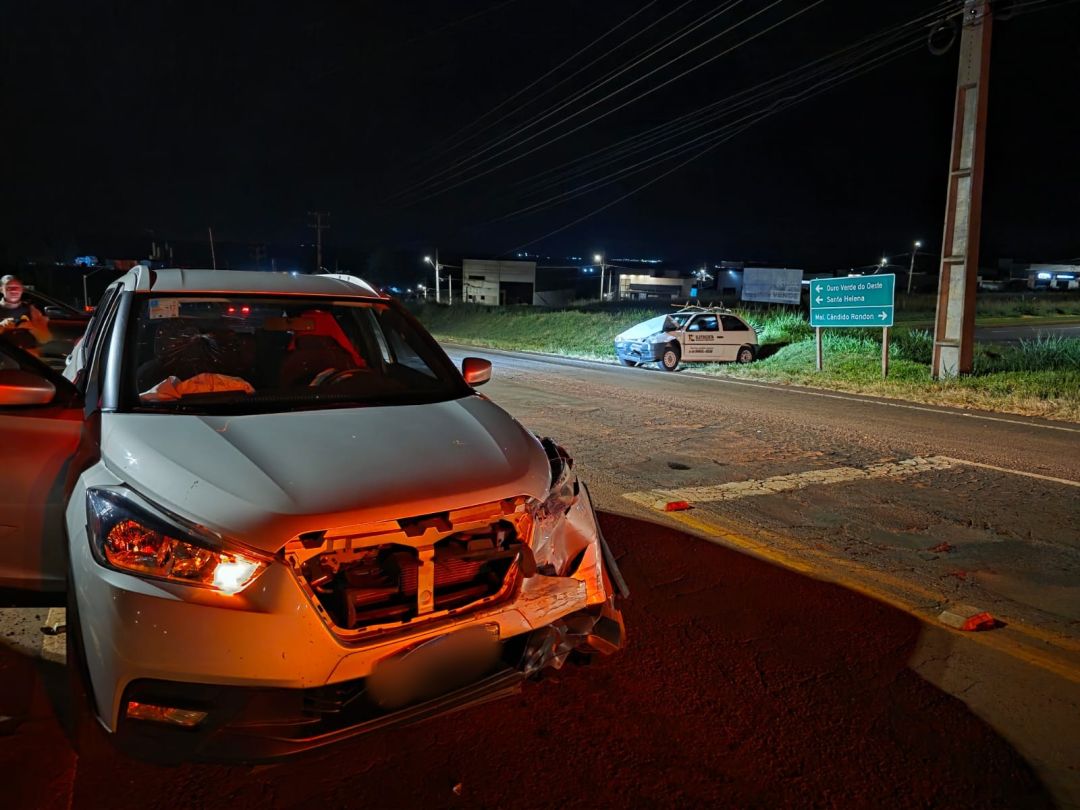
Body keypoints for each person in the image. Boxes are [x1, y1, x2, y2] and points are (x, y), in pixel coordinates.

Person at [0, 275, 51, 349]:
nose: (14, 290)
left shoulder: (32, 310)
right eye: (9, 287)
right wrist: (2, 326)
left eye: (17, 287)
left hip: (27, 354)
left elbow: (45, 339)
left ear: (22, 289)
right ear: (1, 289)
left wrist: (31, 327)